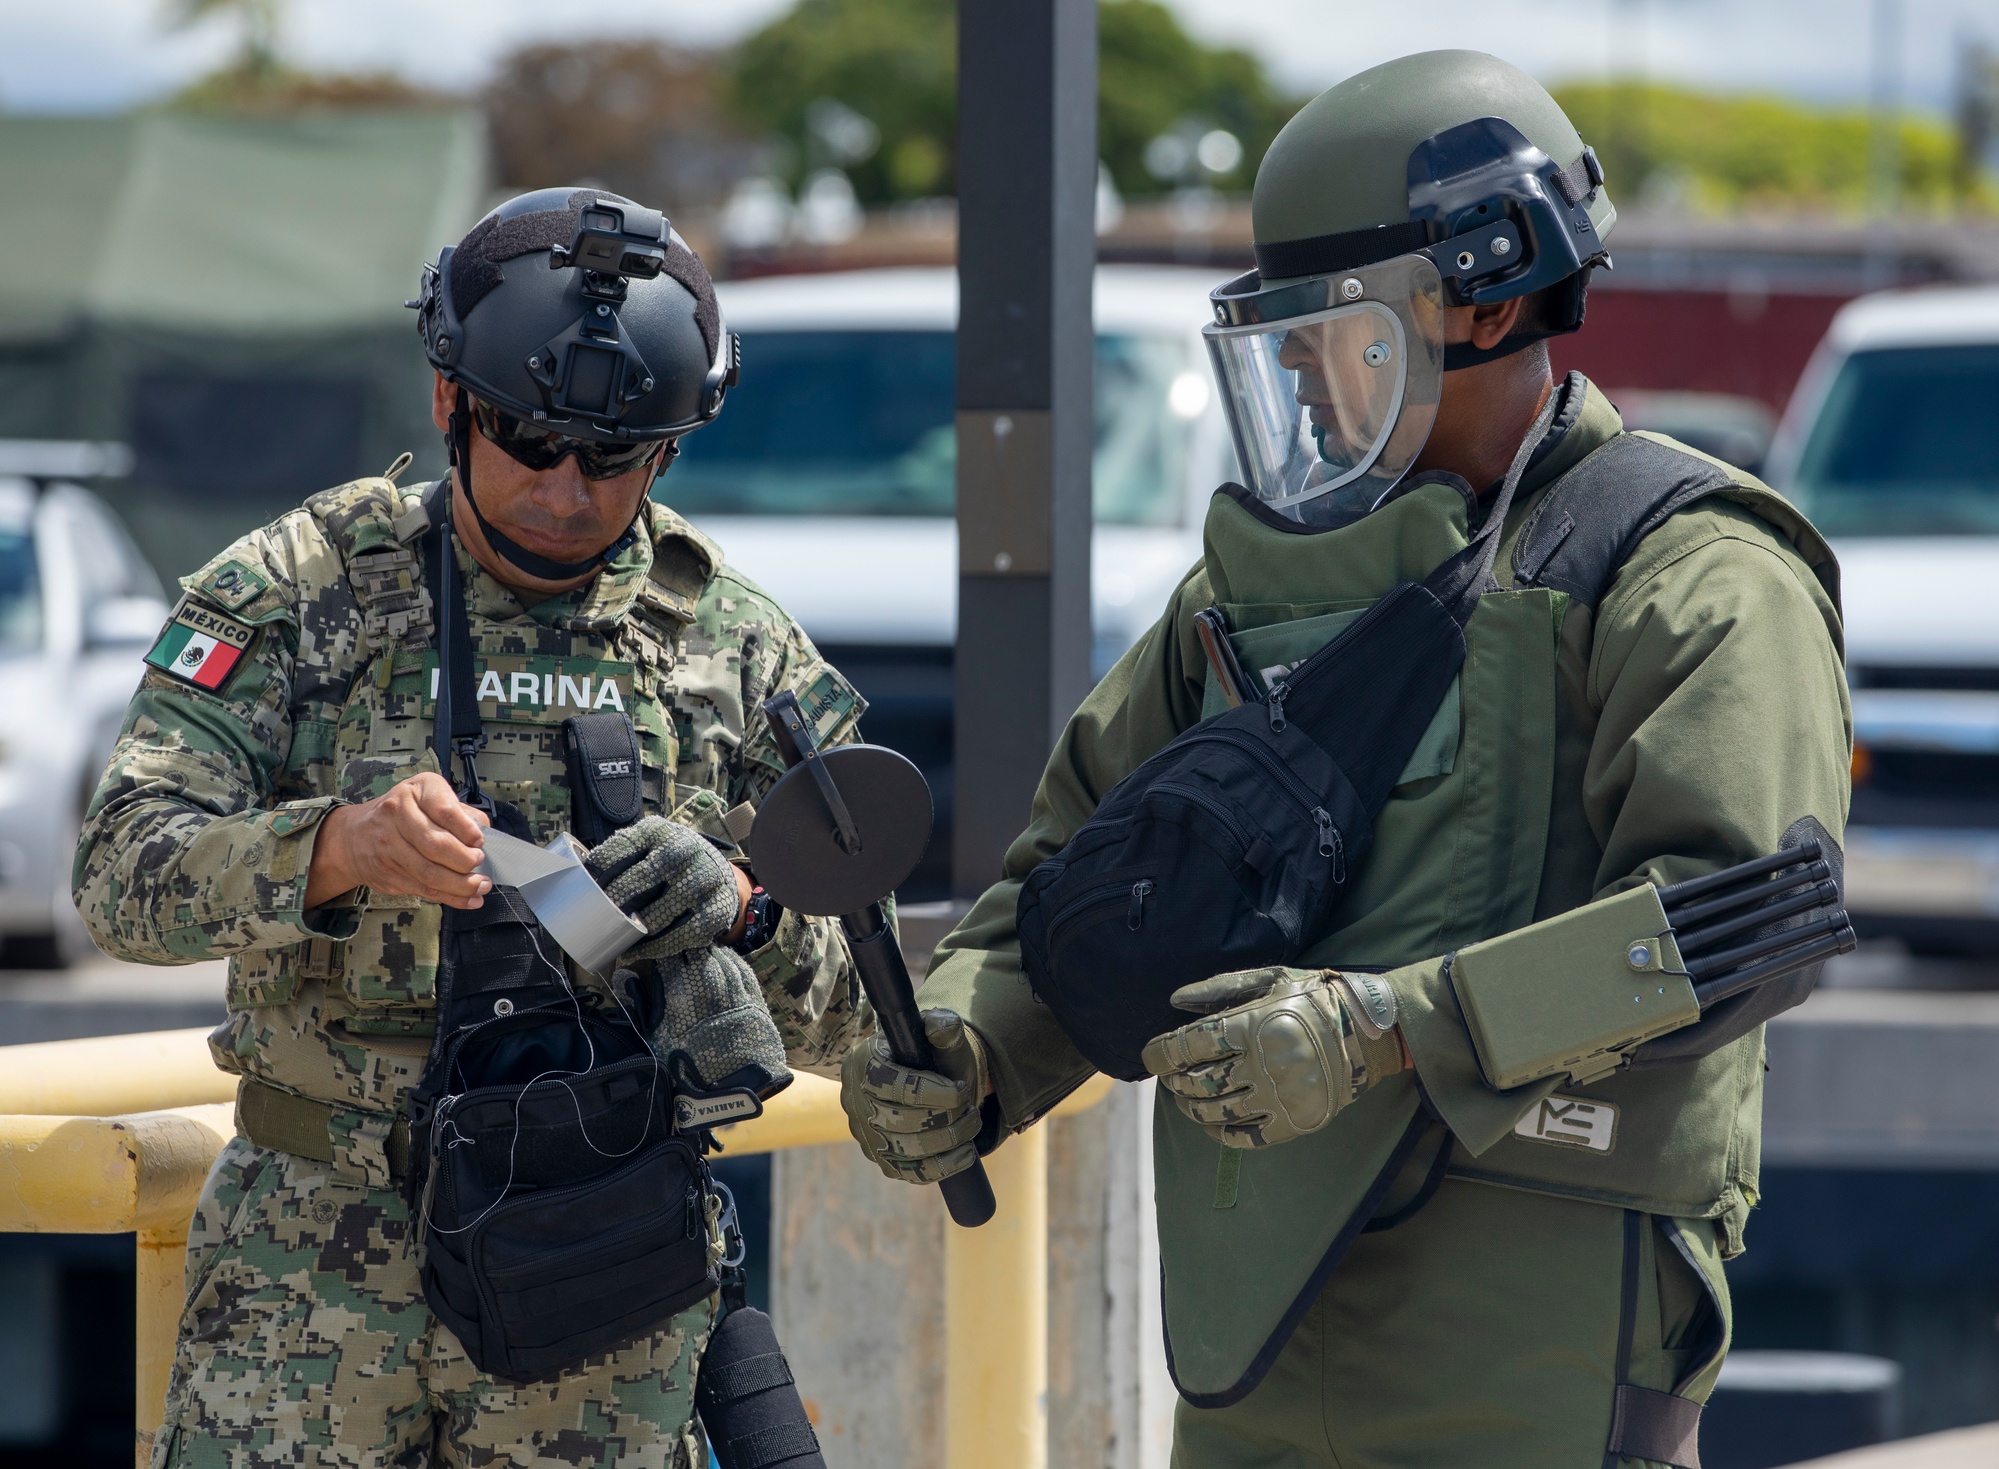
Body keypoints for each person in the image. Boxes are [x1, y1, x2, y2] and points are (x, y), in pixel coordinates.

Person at [839, 51, 1851, 1469]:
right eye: (1283, 337)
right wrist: (968, 1046)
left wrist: (1386, 1028)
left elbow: (1744, 922)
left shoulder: (1685, 569)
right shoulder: (1246, 593)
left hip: (1531, 1313)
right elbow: (1075, 867)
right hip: (1254, 1306)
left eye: (1337, 330)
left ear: (1485, 295)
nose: (1306, 377)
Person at [75, 187, 869, 1469]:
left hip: (600, 1274)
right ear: (450, 402)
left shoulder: (735, 649)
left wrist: (743, 908)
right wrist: (337, 847)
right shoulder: (293, 592)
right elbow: (117, 872)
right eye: (528, 437)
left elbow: (864, 1009)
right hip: (307, 1270)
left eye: (612, 456)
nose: (566, 489)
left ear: (666, 450)